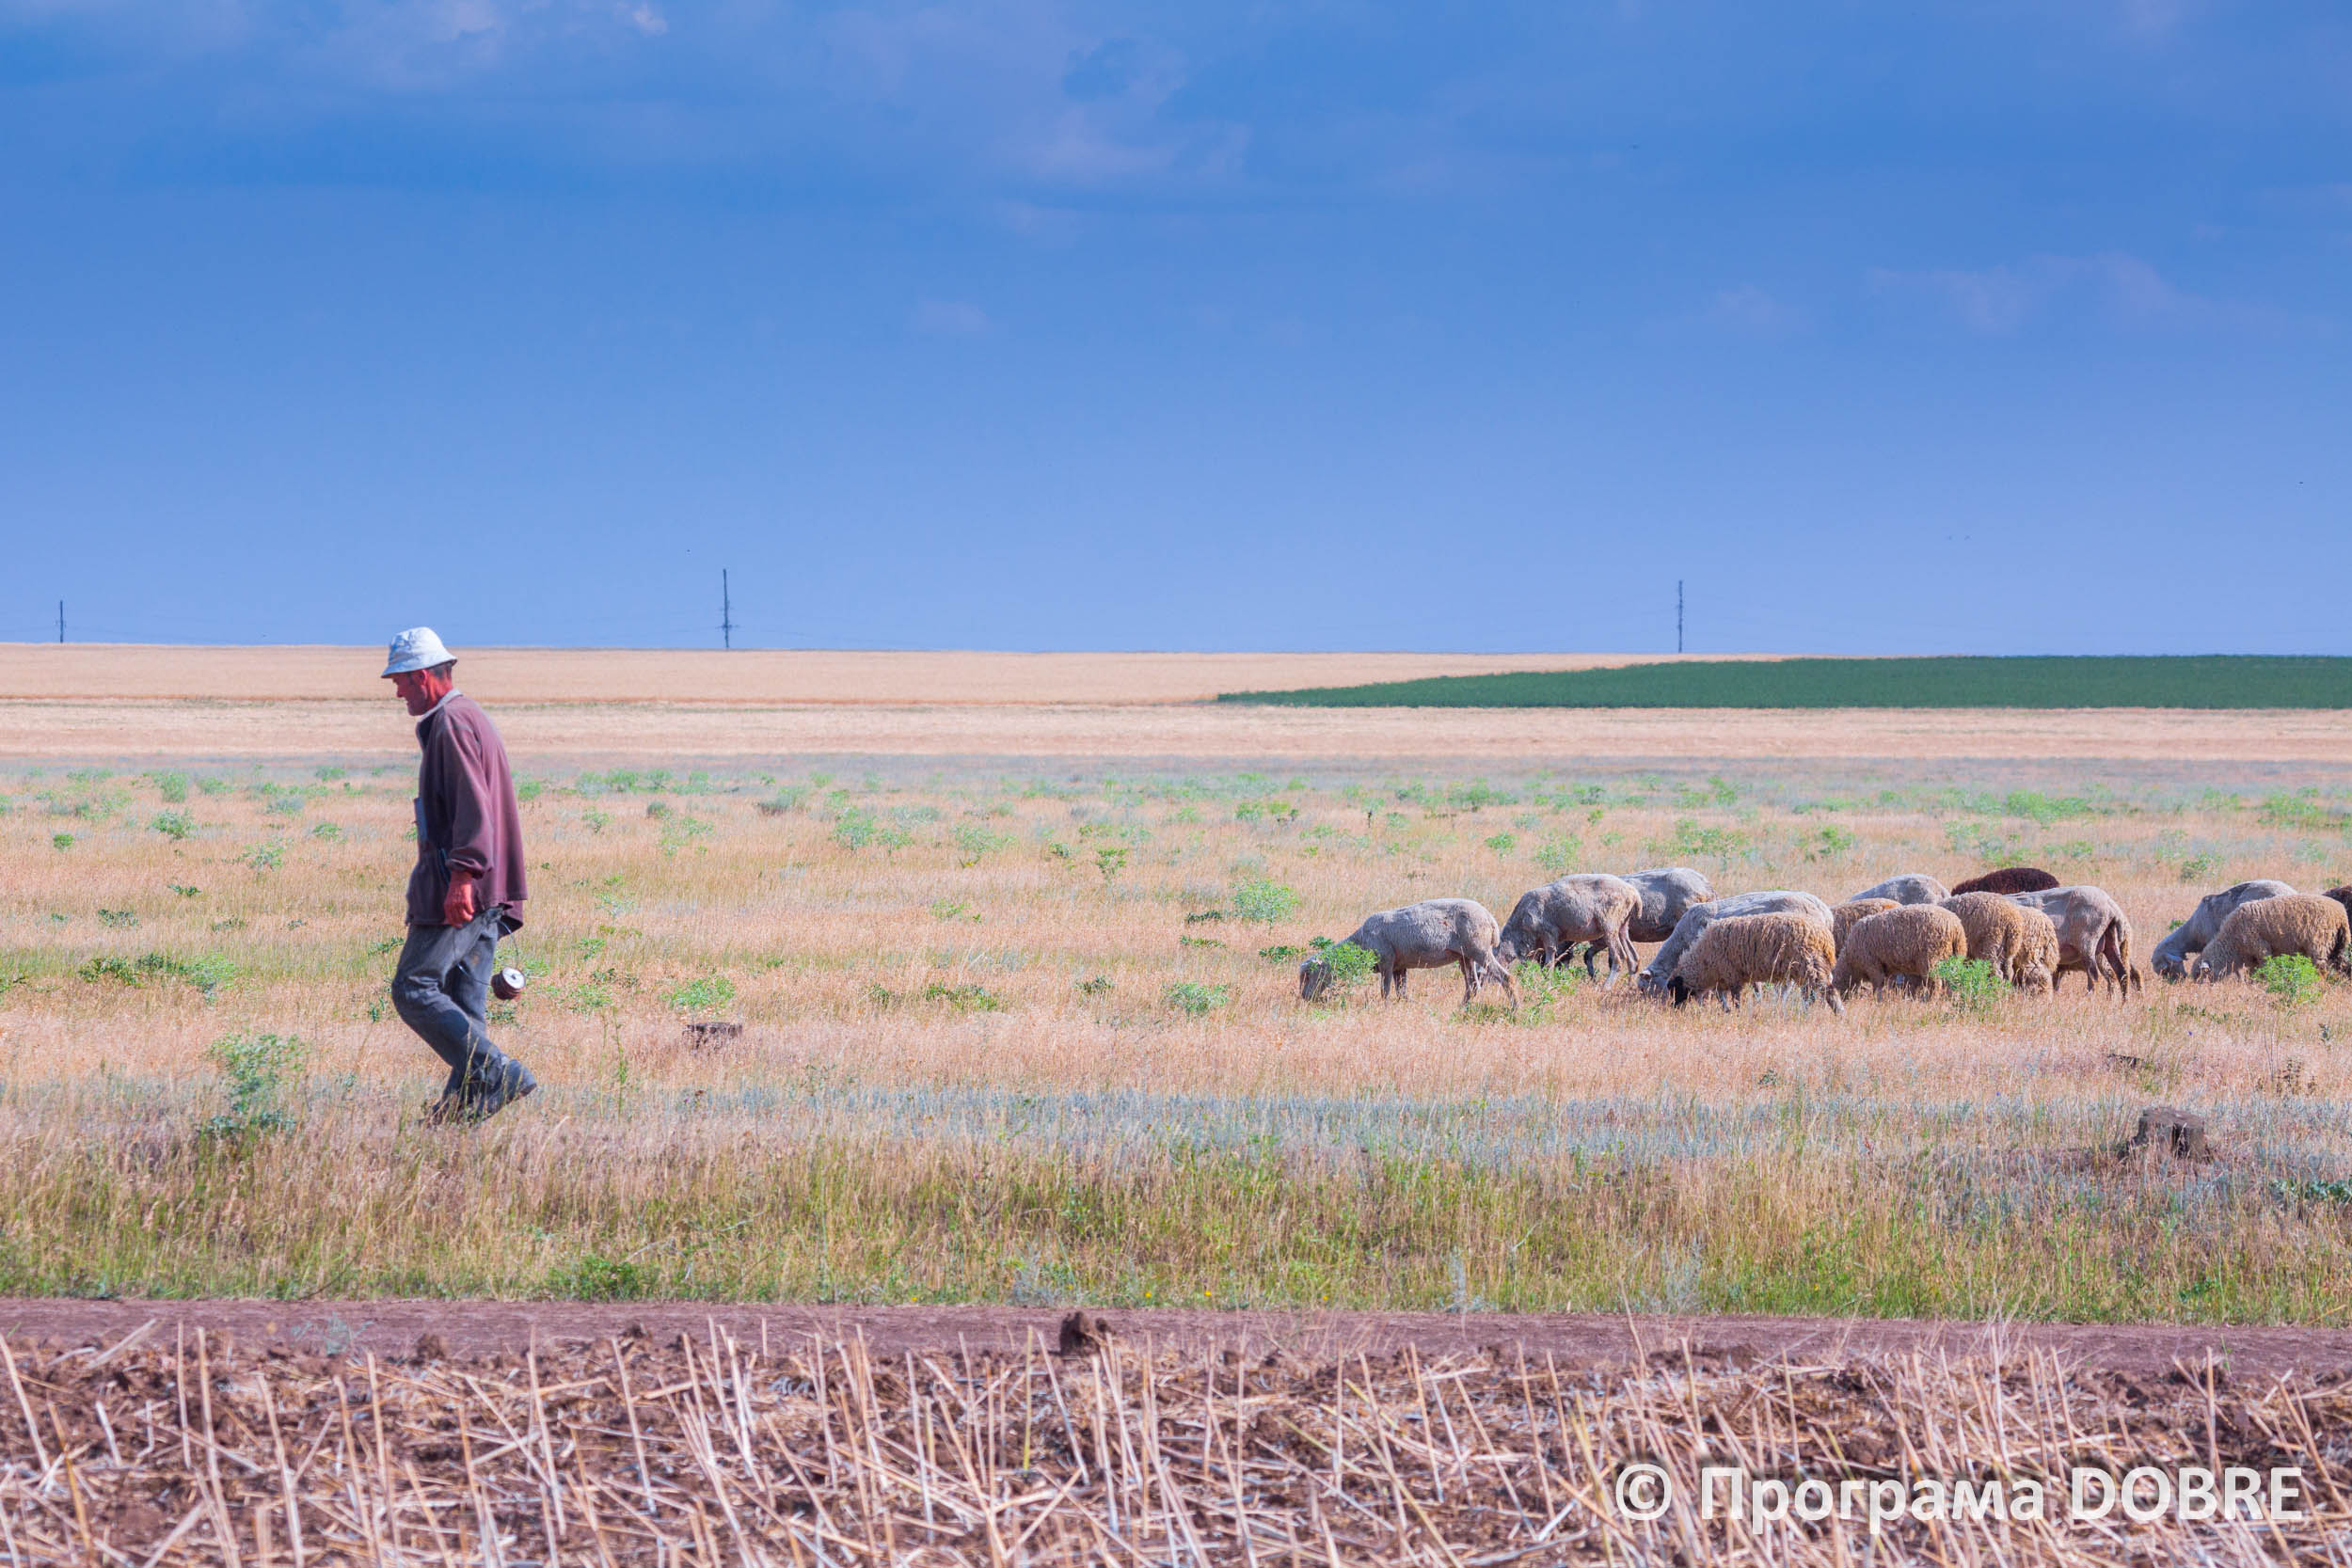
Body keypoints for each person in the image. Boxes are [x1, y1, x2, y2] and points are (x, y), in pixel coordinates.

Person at [381, 627, 537, 1122]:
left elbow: (474, 805)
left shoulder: (451, 722)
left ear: (422, 676)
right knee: (464, 1007)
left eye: (400, 682)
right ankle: (451, 1125)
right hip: (488, 886)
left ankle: (498, 1073)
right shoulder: (468, 716)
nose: (398, 692)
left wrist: (463, 875)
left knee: (414, 989)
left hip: (468, 888)